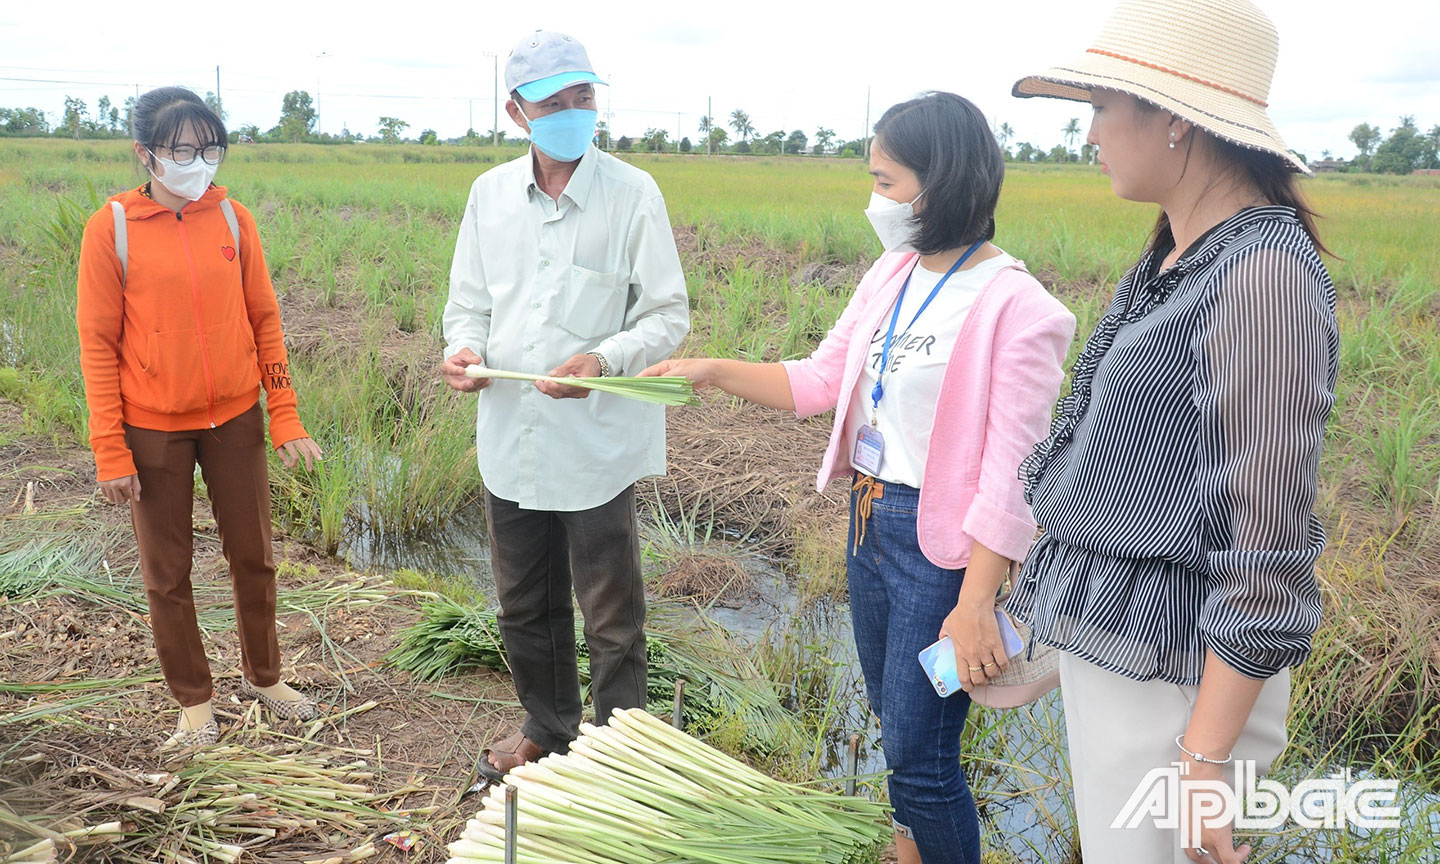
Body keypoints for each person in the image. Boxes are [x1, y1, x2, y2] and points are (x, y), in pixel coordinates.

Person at [643, 92, 1074, 864]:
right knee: (892, 719)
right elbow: (818, 379)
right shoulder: (892, 272)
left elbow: (1015, 476)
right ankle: (909, 852)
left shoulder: (1020, 308)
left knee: (922, 758)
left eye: (887, 181)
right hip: (869, 521)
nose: (875, 200)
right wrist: (711, 370)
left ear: (941, 183)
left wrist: (978, 599)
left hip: (940, 548)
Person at [1006, 1, 1340, 861]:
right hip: (1128, 665)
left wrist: (1203, 760)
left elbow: (1268, 543)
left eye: (1100, 110)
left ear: (1174, 121)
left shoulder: (1262, 276)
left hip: (1177, 693)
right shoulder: (1174, 258)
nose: (1089, 137)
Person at [440, 30, 690, 781]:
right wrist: (464, 354)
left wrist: (602, 359)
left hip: (596, 442)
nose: (575, 113)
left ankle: (619, 749)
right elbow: (468, 306)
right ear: (518, 113)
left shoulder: (633, 192)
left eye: (584, 97)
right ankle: (547, 727)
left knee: (611, 610)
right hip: (513, 436)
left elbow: (667, 314)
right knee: (523, 604)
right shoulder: (489, 196)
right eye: (555, 102)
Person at [76, 87, 323, 748]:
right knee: (168, 571)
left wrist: (286, 416)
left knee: (255, 558)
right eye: (182, 149)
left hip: (236, 418)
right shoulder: (114, 229)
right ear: (145, 153)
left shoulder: (235, 220)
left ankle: (265, 677)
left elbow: (265, 323)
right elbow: (97, 345)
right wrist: (110, 448)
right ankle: (193, 702)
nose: (197, 162)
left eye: (208, 148)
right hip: (153, 428)